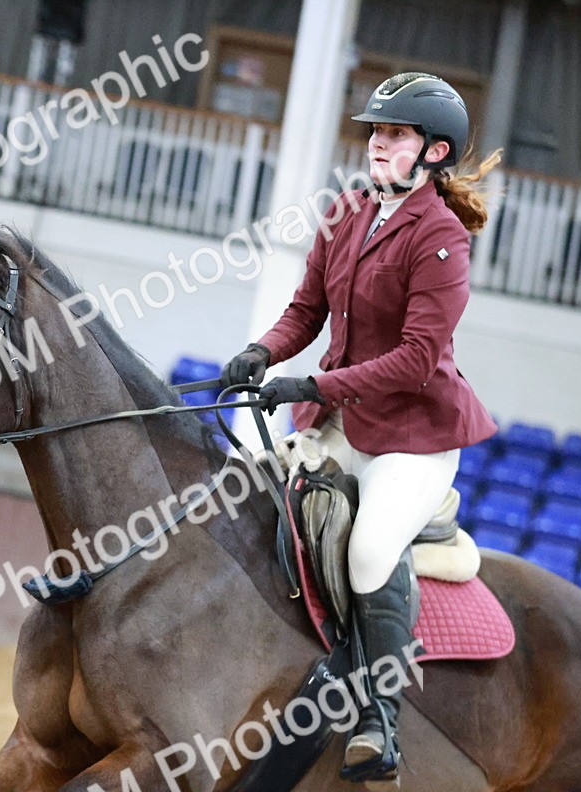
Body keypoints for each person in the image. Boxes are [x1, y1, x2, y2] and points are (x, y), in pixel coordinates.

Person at [220, 72, 501, 788]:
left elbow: (415, 360)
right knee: (245, 498)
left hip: (412, 437)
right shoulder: (346, 211)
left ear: (435, 151)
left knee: (371, 550)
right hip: (341, 422)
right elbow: (305, 311)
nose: (377, 142)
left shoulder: (441, 238)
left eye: (395, 133)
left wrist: (312, 385)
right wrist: (261, 352)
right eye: (375, 131)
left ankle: (379, 718)